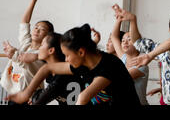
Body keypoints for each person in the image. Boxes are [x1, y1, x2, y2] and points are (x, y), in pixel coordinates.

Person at [7, 24, 141, 106]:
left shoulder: (109, 65)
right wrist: (25, 94)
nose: (66, 59)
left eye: (67, 55)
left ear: (81, 52)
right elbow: (47, 68)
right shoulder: (82, 63)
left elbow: (83, 97)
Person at [1, 0, 53, 100]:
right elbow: (24, 22)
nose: (37, 30)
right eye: (36, 27)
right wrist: (33, 0)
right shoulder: (26, 43)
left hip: (30, 97)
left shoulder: (42, 54)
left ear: (48, 36)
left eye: (42, 29)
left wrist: (13, 54)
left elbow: (24, 61)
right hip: (15, 93)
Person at [30, 32, 84, 105]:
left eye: (42, 44)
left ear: (51, 50)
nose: (39, 47)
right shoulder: (51, 73)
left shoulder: (62, 75)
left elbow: (37, 101)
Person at [110, 6, 149, 105]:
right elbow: (114, 37)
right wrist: (119, 19)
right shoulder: (123, 57)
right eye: (123, 40)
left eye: (129, 39)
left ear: (137, 43)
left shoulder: (142, 64)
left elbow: (122, 78)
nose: (124, 42)